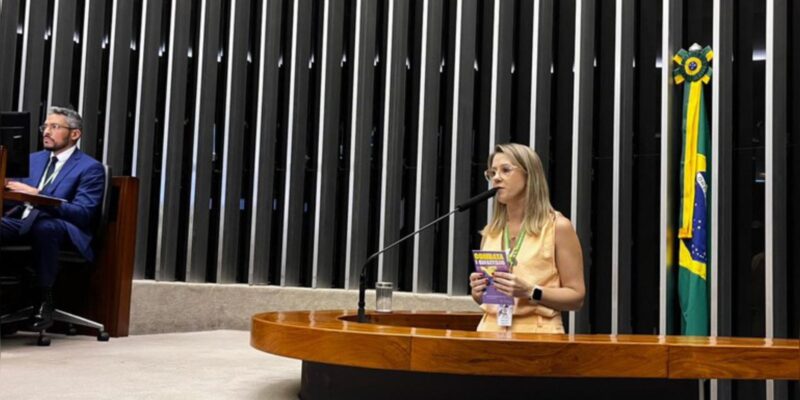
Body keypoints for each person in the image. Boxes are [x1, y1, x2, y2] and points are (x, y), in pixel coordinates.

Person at [1, 106, 105, 330]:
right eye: (45, 126)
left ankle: (43, 299)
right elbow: (11, 201)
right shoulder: (33, 160)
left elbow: (83, 213)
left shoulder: (91, 168)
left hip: (64, 231)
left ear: (74, 134)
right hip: (22, 222)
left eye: (54, 127)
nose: (46, 132)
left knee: (45, 226)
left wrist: (39, 196)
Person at [469, 143, 585, 333]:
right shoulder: (492, 231)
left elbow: (576, 297)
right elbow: (487, 299)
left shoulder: (557, 227)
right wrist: (478, 292)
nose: (496, 178)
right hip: (489, 330)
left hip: (537, 333)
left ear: (529, 174)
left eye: (506, 170)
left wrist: (531, 291)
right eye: (492, 173)